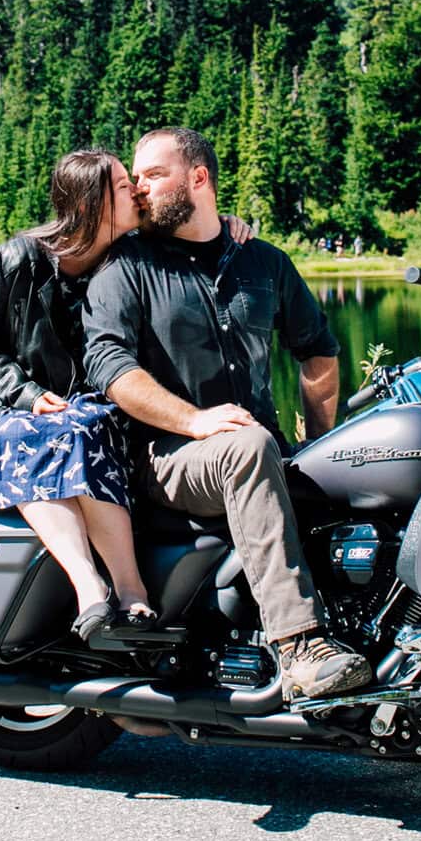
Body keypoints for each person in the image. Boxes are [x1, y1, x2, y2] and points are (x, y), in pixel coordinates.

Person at [82, 127, 373, 701]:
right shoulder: (127, 267)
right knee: (249, 446)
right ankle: (298, 648)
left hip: (247, 446)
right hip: (165, 456)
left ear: (198, 179)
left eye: (152, 174)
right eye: (135, 178)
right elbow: (111, 368)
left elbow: (317, 351)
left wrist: (321, 443)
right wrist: (193, 421)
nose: (139, 188)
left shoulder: (262, 261)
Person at [0, 149, 256, 643]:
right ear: (91, 203)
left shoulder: (127, 255)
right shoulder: (13, 261)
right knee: (48, 429)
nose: (135, 191)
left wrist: (235, 223)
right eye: (121, 186)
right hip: (13, 410)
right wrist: (27, 395)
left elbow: (197, 225)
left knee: (83, 426)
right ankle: (91, 587)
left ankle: (131, 590)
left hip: (90, 412)